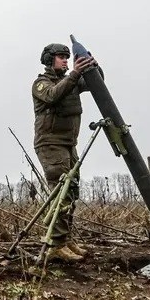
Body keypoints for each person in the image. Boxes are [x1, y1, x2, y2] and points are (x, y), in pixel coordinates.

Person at [32, 42, 98, 262]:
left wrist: (92, 66)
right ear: (50, 59)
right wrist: (75, 74)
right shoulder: (41, 83)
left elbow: (96, 82)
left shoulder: (71, 82)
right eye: (61, 57)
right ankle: (56, 245)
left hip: (69, 145)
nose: (65, 61)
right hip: (50, 144)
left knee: (71, 192)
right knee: (61, 192)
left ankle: (65, 239)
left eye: (67, 57)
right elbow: (52, 96)